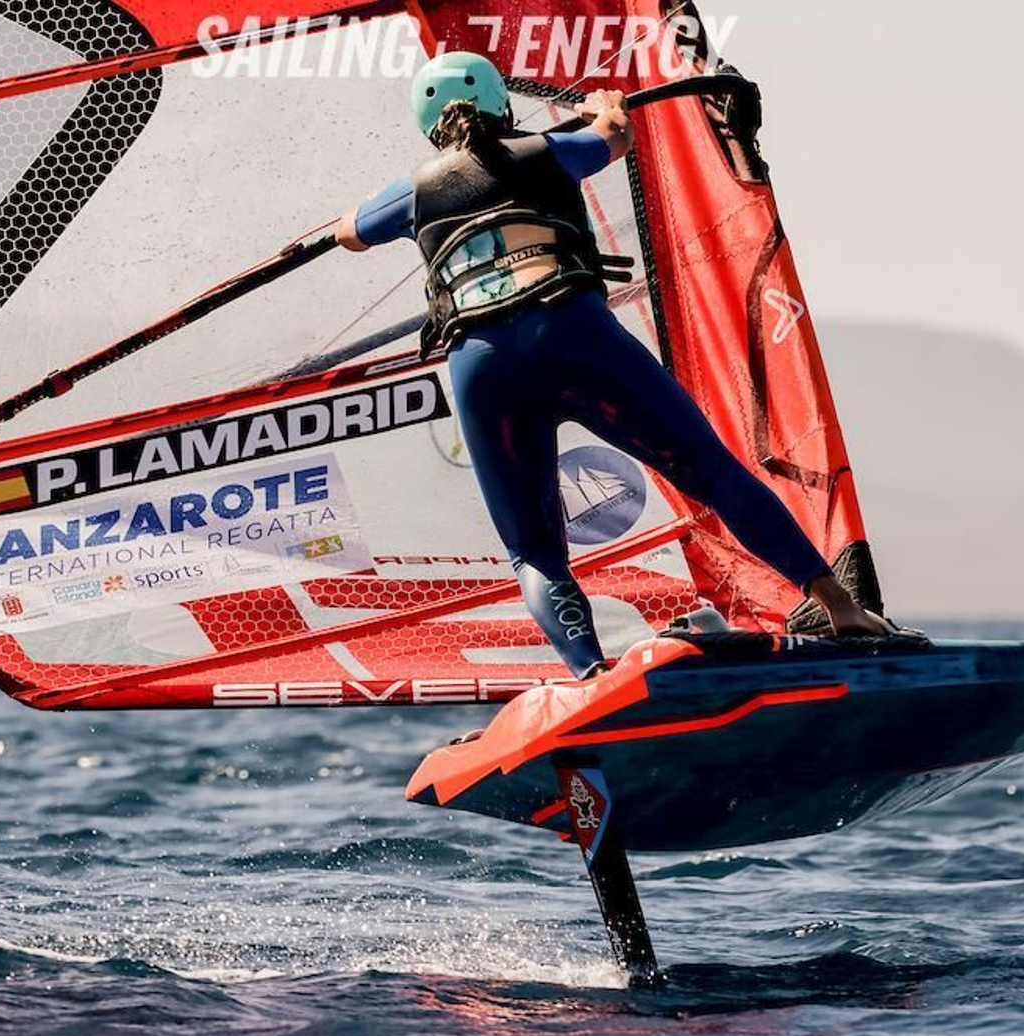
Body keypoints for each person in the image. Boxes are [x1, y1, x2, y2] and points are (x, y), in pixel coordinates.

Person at [336, 52, 889, 679]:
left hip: (484, 370)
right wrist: (602, 106)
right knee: (712, 472)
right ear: (500, 104)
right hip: (573, 337)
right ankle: (841, 609)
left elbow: (351, 232)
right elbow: (614, 135)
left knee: (536, 555)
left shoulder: (413, 191)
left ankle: (590, 676)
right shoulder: (547, 150)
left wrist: (348, 223)